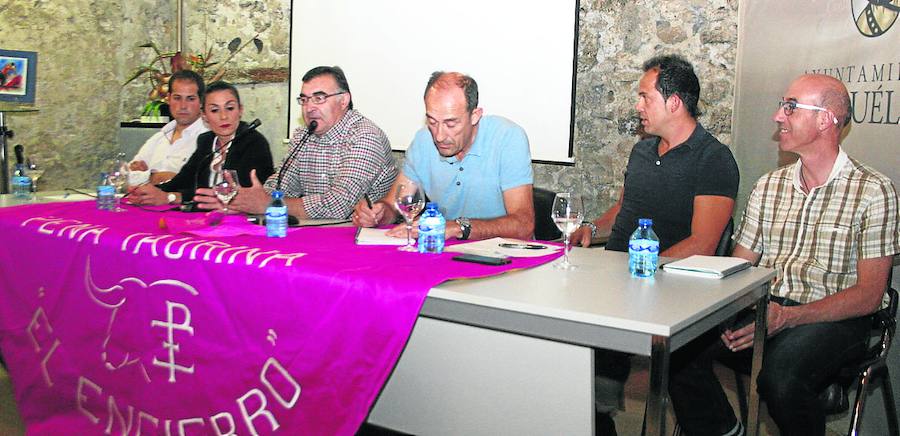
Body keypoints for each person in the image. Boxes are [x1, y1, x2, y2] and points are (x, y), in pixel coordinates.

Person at [669, 74, 899, 436]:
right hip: (766, 308)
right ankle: (725, 430)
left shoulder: (873, 191)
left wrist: (788, 318)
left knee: (780, 378)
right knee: (675, 351)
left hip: (835, 317)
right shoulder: (769, 186)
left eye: (791, 107)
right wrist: (720, 311)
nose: (778, 116)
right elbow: (738, 266)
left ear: (825, 120)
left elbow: (870, 295)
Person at [569, 54, 740, 435]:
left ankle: (722, 428)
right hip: (616, 279)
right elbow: (624, 208)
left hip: (673, 290)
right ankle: (594, 418)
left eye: (645, 97)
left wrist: (640, 269)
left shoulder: (713, 159)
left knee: (679, 361)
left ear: (674, 102)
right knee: (569, 339)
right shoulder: (642, 150)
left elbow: (703, 242)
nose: (638, 105)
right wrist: (590, 229)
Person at [352, 71, 535, 241]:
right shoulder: (423, 141)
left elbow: (523, 225)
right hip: (451, 252)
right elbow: (395, 205)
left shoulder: (507, 138)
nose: (439, 135)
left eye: (451, 123)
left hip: (508, 257)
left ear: (475, 116)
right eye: (432, 121)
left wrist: (458, 227)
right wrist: (379, 213)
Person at [220, 66, 397, 219]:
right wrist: (243, 200)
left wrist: (270, 204)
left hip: (360, 237)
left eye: (319, 98)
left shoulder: (364, 136)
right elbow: (283, 185)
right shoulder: (302, 135)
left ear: (343, 100)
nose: (309, 108)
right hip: (316, 231)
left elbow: (340, 204)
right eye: (304, 100)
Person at [129, 81, 274, 206]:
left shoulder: (253, 142)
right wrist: (149, 191)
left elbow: (231, 195)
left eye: (230, 108)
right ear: (204, 116)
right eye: (215, 110)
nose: (224, 116)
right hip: (206, 219)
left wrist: (171, 197)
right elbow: (183, 180)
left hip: (245, 222)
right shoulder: (206, 141)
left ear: (240, 110)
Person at [129, 70, 208, 185]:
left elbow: (197, 184)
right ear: (169, 98)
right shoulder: (160, 137)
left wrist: (144, 177)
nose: (183, 106)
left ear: (201, 101)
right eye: (177, 98)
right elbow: (126, 177)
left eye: (190, 99)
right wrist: (153, 176)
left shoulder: (208, 139)